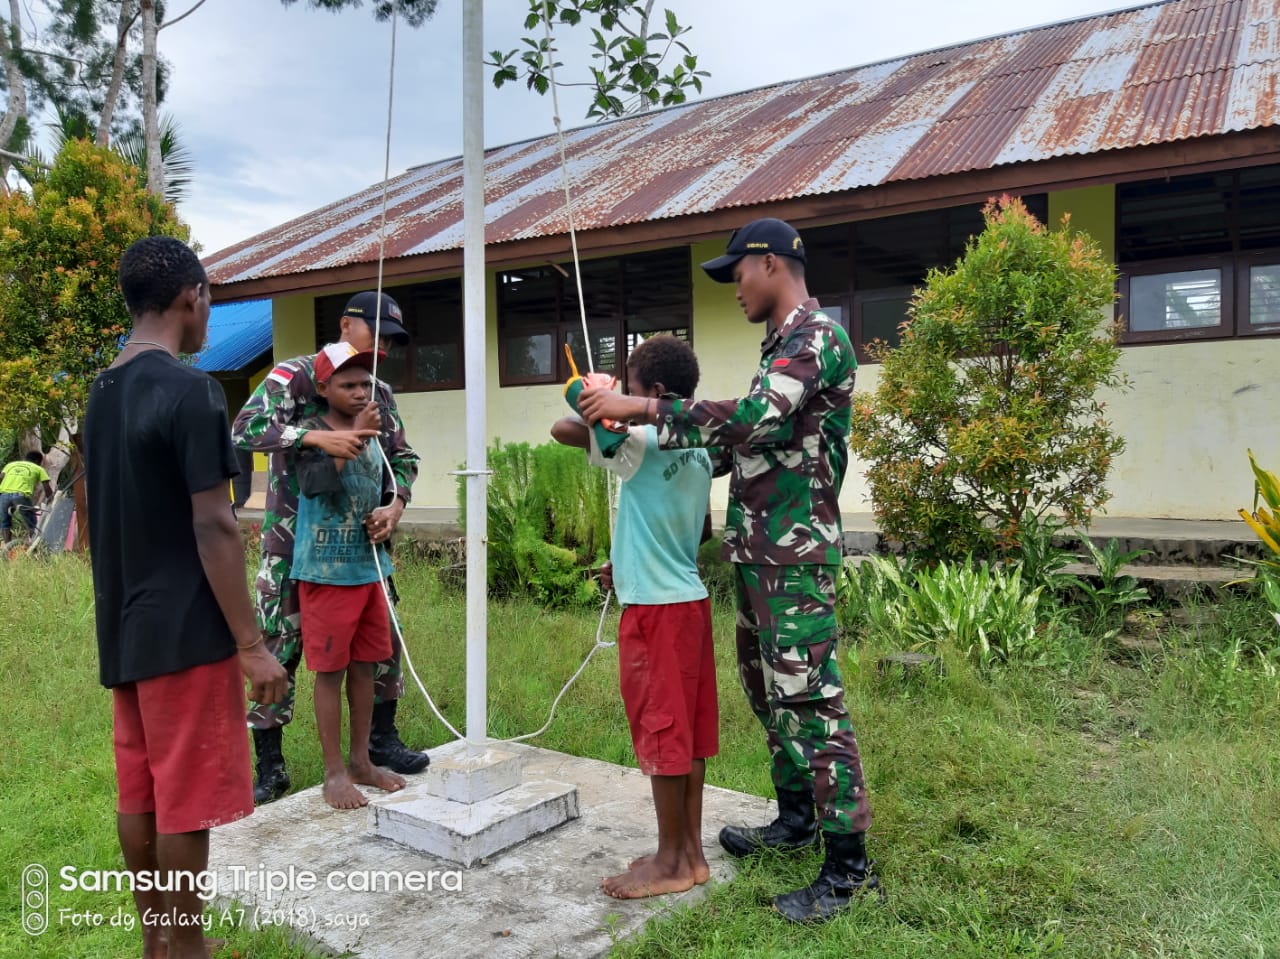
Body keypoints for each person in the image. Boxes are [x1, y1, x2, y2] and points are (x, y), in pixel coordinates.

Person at [578, 218, 878, 923]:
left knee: (811, 702)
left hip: (795, 556)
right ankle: (796, 817)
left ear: (771, 263)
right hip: (758, 553)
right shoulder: (778, 344)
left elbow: (756, 419)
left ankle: (848, 866)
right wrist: (640, 442)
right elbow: (738, 447)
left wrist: (642, 406)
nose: (734, 288)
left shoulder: (816, 337)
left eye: (737, 272)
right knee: (767, 693)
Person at [85, 235, 288, 959]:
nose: (209, 317)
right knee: (184, 800)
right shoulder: (191, 390)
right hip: (186, 629)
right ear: (189, 298)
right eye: (210, 301)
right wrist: (253, 644)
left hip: (124, 627)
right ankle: (187, 948)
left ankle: (158, 942)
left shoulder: (100, 392)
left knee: (140, 789)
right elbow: (214, 523)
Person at [232, 290, 427, 805]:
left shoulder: (378, 391)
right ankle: (270, 765)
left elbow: (402, 458)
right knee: (283, 646)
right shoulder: (297, 374)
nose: (383, 348)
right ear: (346, 324)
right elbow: (247, 429)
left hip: (361, 551)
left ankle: (378, 744)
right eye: (377, 334)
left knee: (380, 646)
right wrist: (314, 439)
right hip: (292, 541)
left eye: (391, 342)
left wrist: (396, 506)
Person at [552, 335, 717, 900]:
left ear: (657, 395)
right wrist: (620, 561)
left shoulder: (644, 439)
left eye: (632, 387)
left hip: (656, 610)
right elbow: (667, 521)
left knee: (663, 732)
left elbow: (564, 429)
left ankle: (670, 861)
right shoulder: (698, 446)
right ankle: (688, 853)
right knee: (687, 737)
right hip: (687, 599)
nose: (623, 394)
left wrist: (593, 396)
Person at [293, 342, 408, 809]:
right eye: (348, 385)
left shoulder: (380, 431)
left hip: (369, 568)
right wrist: (358, 433)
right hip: (326, 570)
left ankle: (361, 760)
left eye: (366, 384)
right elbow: (316, 484)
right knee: (330, 671)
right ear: (323, 389)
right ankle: (334, 771)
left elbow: (393, 476)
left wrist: (391, 510)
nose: (361, 393)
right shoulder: (310, 432)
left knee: (366, 666)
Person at [0, 450, 54, 544]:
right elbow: (46, 486)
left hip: (4, 495)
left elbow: (1, 478)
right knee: (32, 524)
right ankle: (35, 547)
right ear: (38, 461)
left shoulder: (11, 465)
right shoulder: (39, 469)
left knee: (5, 523)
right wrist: (51, 500)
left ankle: (7, 547)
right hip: (21, 496)